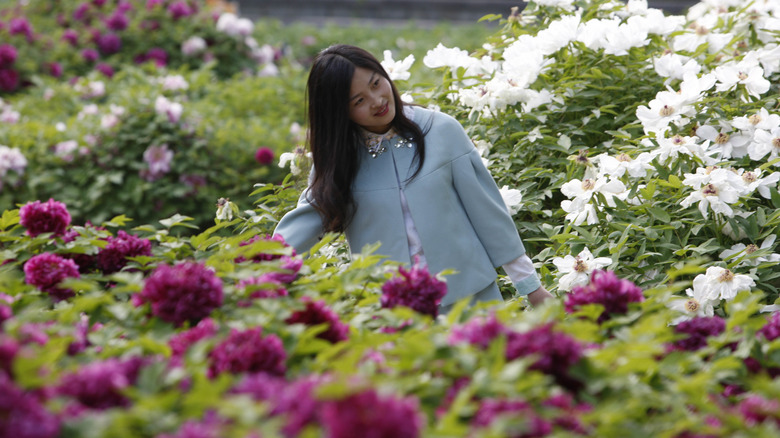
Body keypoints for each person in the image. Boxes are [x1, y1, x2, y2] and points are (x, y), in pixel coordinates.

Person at [273, 44, 553, 310]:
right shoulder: (338, 162)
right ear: (340, 112)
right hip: (393, 314)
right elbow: (300, 229)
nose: (377, 100)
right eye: (359, 100)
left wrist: (531, 287)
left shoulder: (442, 130)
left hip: (472, 300)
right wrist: (260, 276)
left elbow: (489, 215)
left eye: (375, 83)